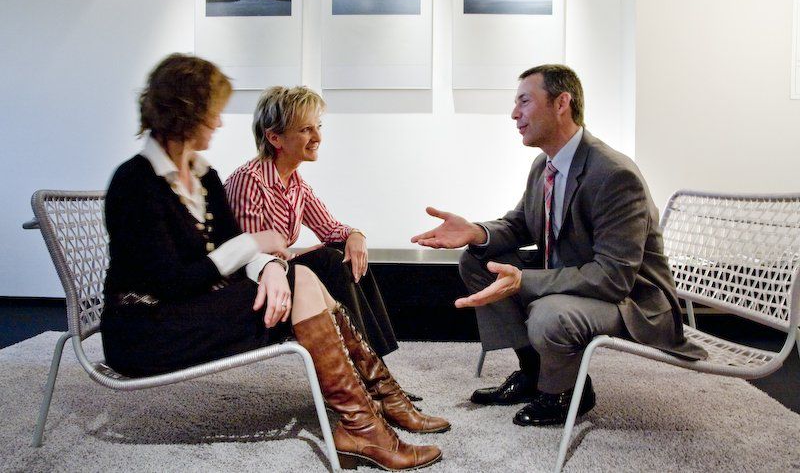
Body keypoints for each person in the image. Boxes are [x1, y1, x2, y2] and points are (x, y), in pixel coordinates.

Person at [101, 53, 447, 471]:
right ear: (185, 112)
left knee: (307, 273)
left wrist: (268, 268)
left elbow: (237, 247)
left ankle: (368, 413)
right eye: (213, 112)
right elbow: (172, 281)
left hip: (193, 305)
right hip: (147, 328)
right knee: (305, 277)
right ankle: (367, 419)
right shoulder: (135, 181)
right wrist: (259, 251)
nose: (220, 122)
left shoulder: (204, 176)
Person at [411, 64, 706, 427]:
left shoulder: (614, 174)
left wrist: (525, 281)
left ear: (561, 103)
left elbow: (614, 278)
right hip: (580, 282)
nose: (514, 114)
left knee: (549, 313)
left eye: (524, 101)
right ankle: (534, 371)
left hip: (633, 301)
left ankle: (564, 392)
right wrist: (476, 232)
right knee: (477, 261)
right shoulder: (544, 165)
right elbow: (520, 224)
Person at [224, 86, 419, 400]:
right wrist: (300, 255)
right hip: (253, 286)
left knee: (345, 253)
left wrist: (356, 235)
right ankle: (375, 380)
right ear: (274, 138)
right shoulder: (249, 180)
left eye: (318, 126)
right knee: (329, 258)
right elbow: (255, 256)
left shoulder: (297, 184)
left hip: (281, 272)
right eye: (305, 129)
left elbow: (331, 228)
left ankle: (377, 372)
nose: (317, 137)